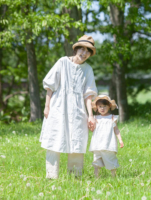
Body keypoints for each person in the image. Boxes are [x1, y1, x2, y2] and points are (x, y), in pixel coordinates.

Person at [39, 35, 98, 179]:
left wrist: (91, 115)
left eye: (88, 51)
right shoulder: (62, 62)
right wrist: (47, 106)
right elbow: (50, 86)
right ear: (76, 49)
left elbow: (88, 94)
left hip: (78, 109)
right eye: (82, 49)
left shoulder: (88, 69)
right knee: (54, 139)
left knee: (77, 140)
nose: (84, 53)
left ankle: (75, 177)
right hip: (58, 107)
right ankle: (51, 176)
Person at [89, 95, 124, 177]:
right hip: (97, 144)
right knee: (97, 161)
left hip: (108, 143)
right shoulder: (95, 118)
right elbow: (92, 129)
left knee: (111, 160)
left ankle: (113, 176)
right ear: (97, 107)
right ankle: (96, 177)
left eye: (104, 106)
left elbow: (116, 130)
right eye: (100, 106)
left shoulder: (112, 118)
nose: (102, 108)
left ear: (109, 106)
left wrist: (120, 140)